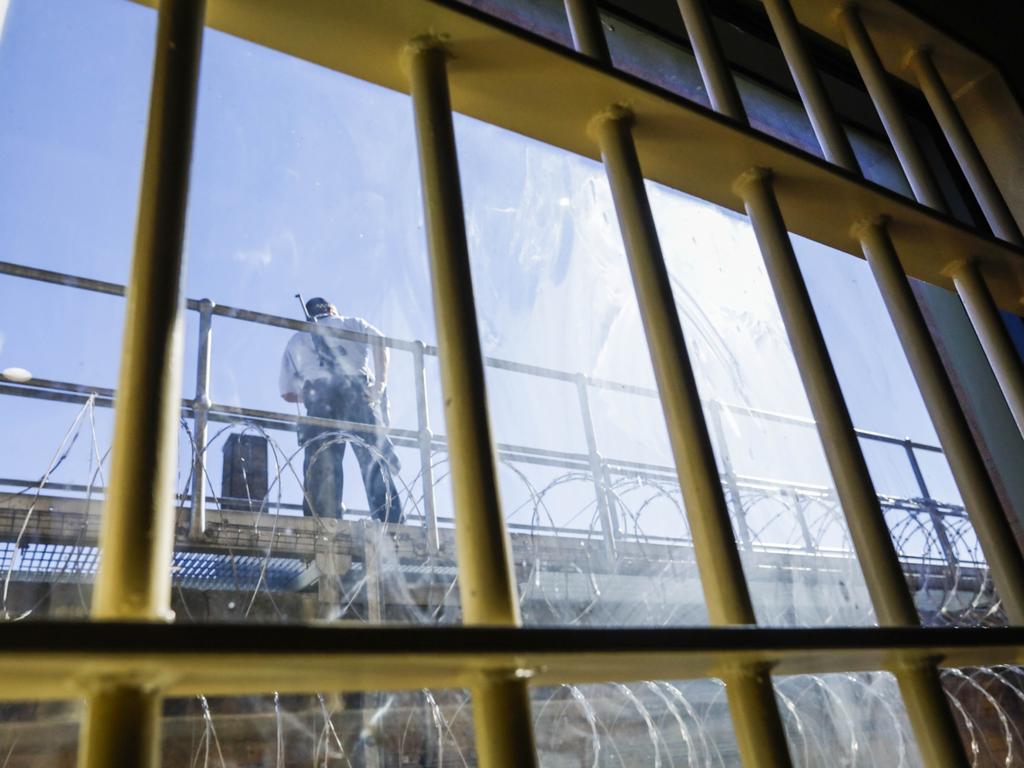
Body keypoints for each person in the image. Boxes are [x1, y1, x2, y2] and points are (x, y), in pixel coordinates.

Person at [279, 297, 403, 523]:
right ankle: (391, 523)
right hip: (356, 393)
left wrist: (310, 395)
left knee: (323, 466)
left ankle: (324, 524)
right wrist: (380, 384)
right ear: (331, 310)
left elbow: (287, 393)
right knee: (373, 460)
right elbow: (380, 341)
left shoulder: (296, 340)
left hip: (320, 401)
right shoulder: (349, 323)